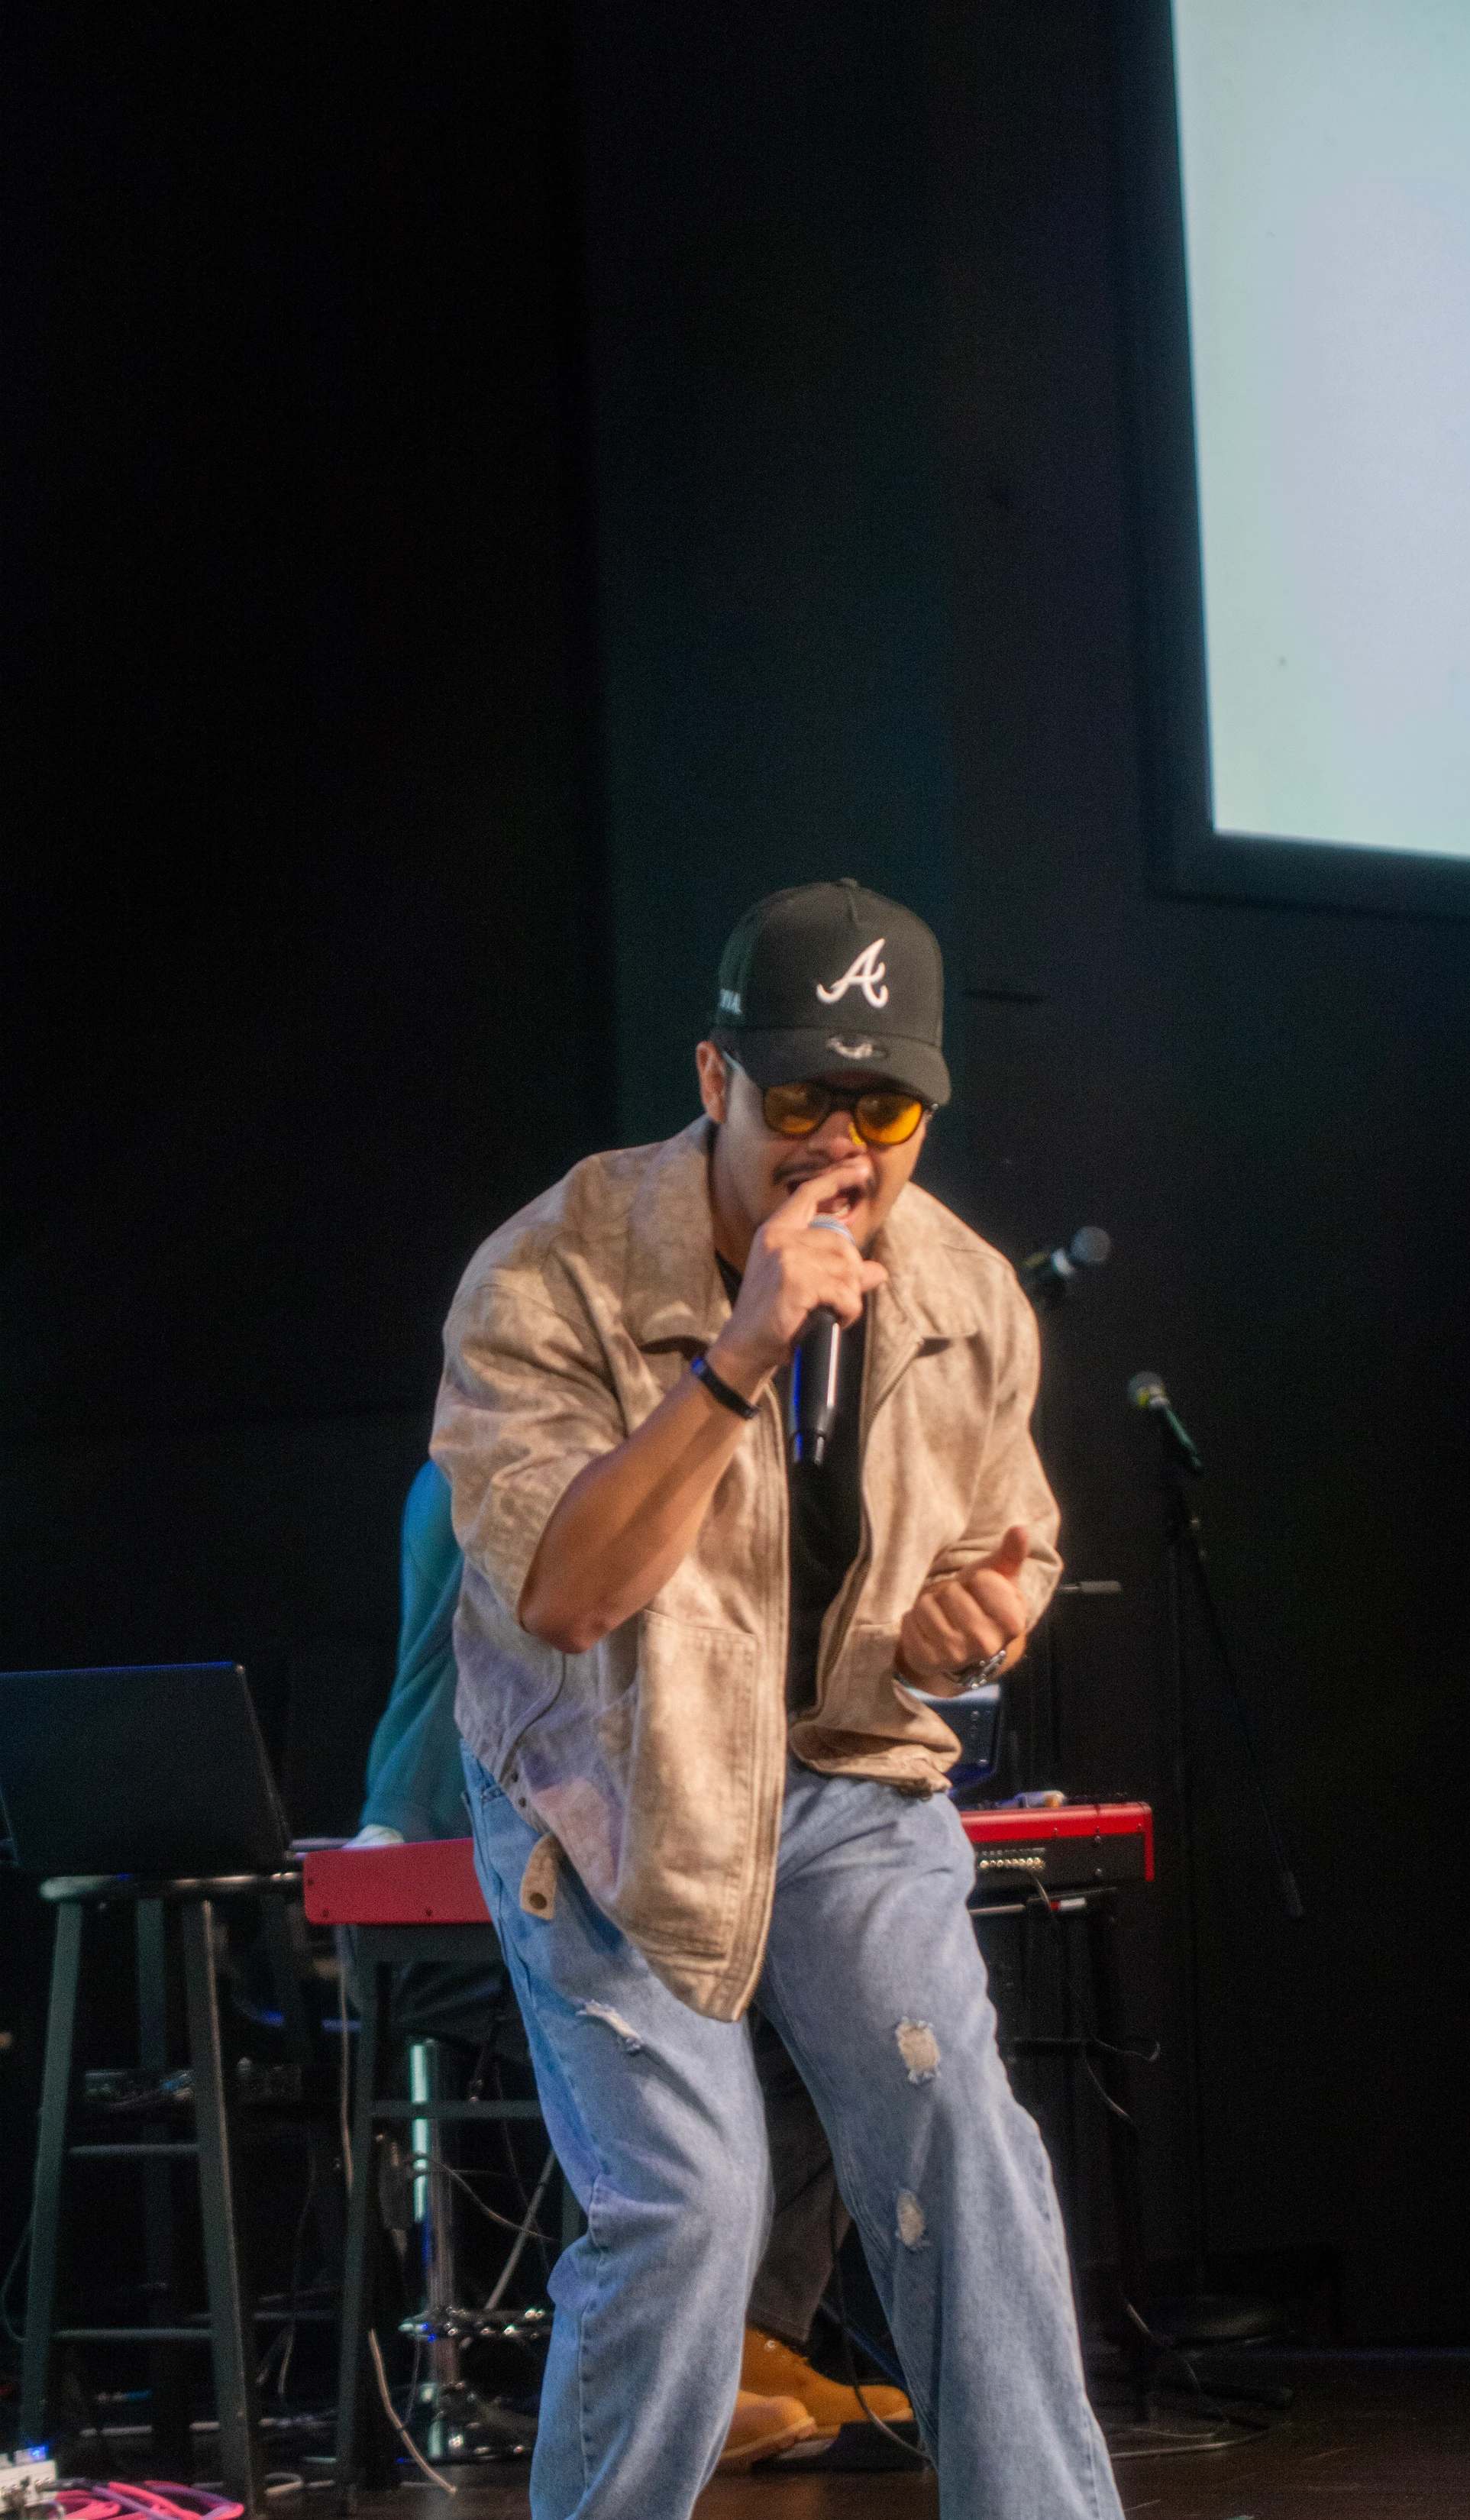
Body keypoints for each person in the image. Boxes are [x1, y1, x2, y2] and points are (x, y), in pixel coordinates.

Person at [432, 878, 1125, 2518]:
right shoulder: (551, 1275)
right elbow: (571, 1595)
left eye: (878, 1106)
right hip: (610, 1777)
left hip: (842, 1774)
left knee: (960, 2141)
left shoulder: (961, 1296)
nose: (842, 1145)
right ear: (712, 1081)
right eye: (800, 1097)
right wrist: (736, 1357)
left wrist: (980, 1620)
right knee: (688, 2201)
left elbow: (1003, 1534)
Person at [353, 1457, 913, 2468]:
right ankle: (696, 2370)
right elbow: (542, 1638)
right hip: (491, 1866)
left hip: (571, 1837)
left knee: (858, 2023)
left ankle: (746, 2348)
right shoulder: (496, 1459)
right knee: (710, 2079)